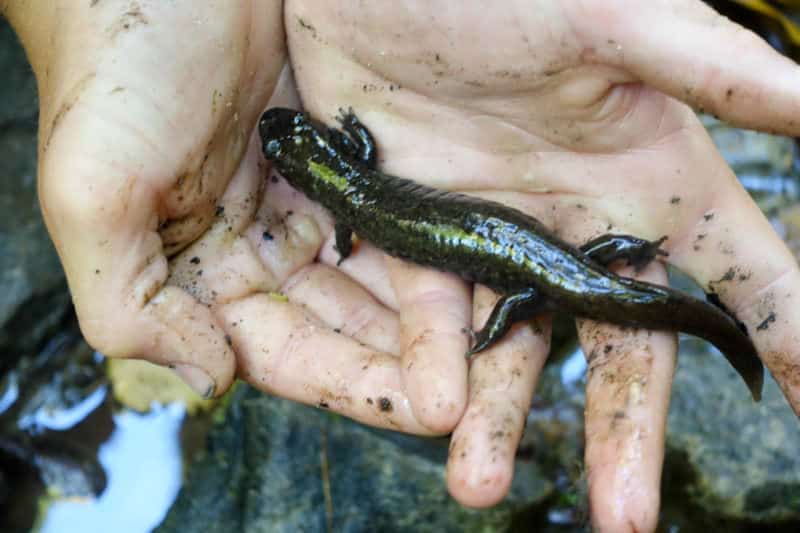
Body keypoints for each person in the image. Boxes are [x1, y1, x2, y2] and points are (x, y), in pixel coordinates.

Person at [4, 1, 800, 531]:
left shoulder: (347, 210)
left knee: (559, 289)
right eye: (289, 143)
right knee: (592, 273)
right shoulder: (348, 171)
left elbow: (351, 222)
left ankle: (702, 324)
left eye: (290, 142)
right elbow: (361, 149)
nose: (285, 142)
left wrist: (486, 324)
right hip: (555, 265)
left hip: (539, 278)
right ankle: (693, 313)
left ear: (305, 166)